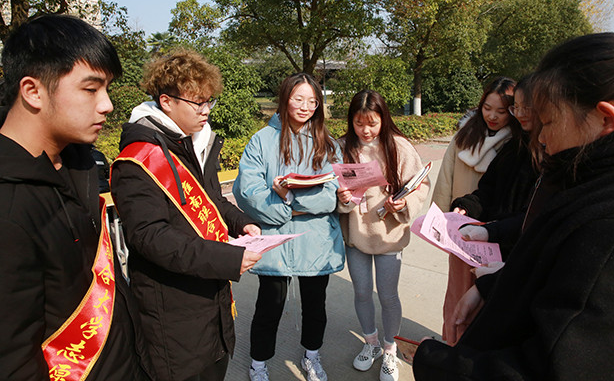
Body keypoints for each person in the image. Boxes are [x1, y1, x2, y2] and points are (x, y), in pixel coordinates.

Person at [413, 32, 614, 380]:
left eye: (548, 121)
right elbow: (541, 270)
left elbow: (556, 363)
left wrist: (441, 366)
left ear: (605, 119)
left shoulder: (608, 227)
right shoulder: (584, 182)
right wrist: (491, 287)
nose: (541, 137)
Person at [0, 15, 153, 380]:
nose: (107, 105)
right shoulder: (9, 208)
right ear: (33, 91)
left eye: (107, 89)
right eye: (91, 89)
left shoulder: (80, 160)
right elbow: (13, 359)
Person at [110, 48, 262, 381]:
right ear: (166, 101)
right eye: (198, 102)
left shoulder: (195, 143)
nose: (206, 110)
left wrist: (242, 223)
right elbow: (150, 236)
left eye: (209, 101)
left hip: (212, 300)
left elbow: (212, 201)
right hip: (172, 313)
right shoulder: (138, 160)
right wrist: (226, 257)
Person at [233, 73, 344, 381]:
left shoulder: (327, 143)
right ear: (285, 98)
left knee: (315, 305)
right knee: (269, 305)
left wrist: (289, 198)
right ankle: (258, 363)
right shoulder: (261, 140)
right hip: (275, 238)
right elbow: (247, 190)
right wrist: (282, 208)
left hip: (316, 239)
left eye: (312, 101)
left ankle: (312, 356)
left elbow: (332, 194)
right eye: (298, 99)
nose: (305, 107)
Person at [336, 90, 430, 381]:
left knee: (388, 295)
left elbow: (421, 185)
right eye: (359, 123)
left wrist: (404, 203)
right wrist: (342, 198)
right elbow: (331, 188)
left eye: (372, 123)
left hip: (389, 234)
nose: (365, 130)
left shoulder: (399, 146)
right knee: (362, 292)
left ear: (383, 119)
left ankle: (390, 349)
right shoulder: (341, 147)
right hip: (357, 233)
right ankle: (371, 343)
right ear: (351, 121)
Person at [441, 76, 543, 341]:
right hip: (477, 237)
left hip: (511, 249)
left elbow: (534, 215)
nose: (520, 114)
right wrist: (464, 207)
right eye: (517, 107)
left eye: (524, 108)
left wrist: (492, 231)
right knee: (460, 301)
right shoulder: (513, 147)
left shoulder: (547, 153)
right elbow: (486, 190)